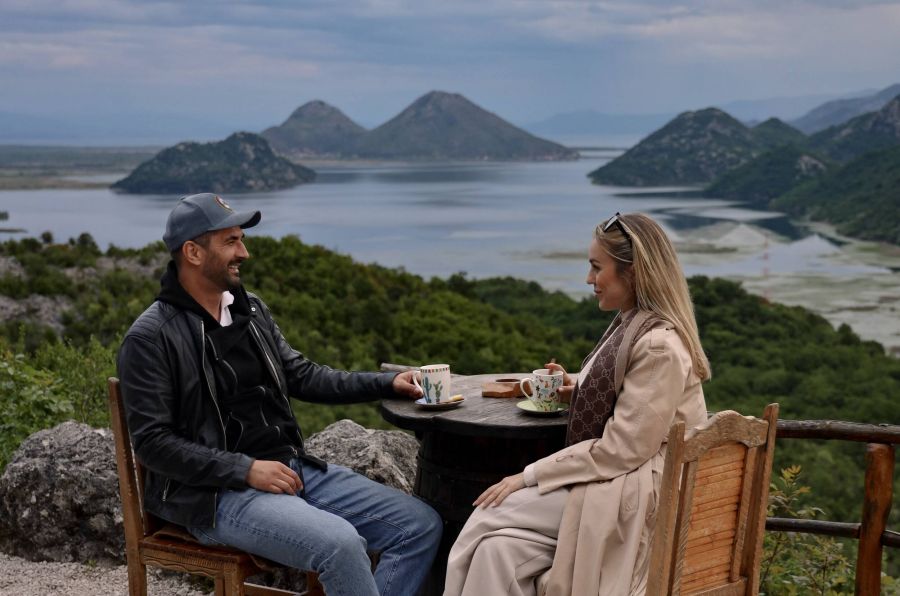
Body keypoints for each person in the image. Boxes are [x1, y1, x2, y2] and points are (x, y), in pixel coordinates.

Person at [117, 193, 442, 596]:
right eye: (231, 241)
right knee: (340, 545)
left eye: (242, 239)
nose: (244, 253)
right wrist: (246, 469)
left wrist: (384, 383)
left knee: (419, 525)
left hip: (289, 470)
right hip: (215, 495)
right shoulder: (151, 338)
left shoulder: (250, 310)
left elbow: (301, 376)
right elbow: (154, 444)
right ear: (193, 252)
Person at [443, 213, 710, 596]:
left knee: (490, 513)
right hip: (623, 477)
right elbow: (631, 396)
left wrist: (528, 476)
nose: (589, 279)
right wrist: (576, 389)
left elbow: (622, 449)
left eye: (597, 267)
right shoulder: (634, 324)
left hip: (635, 490)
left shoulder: (658, 346)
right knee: (496, 551)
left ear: (633, 272)